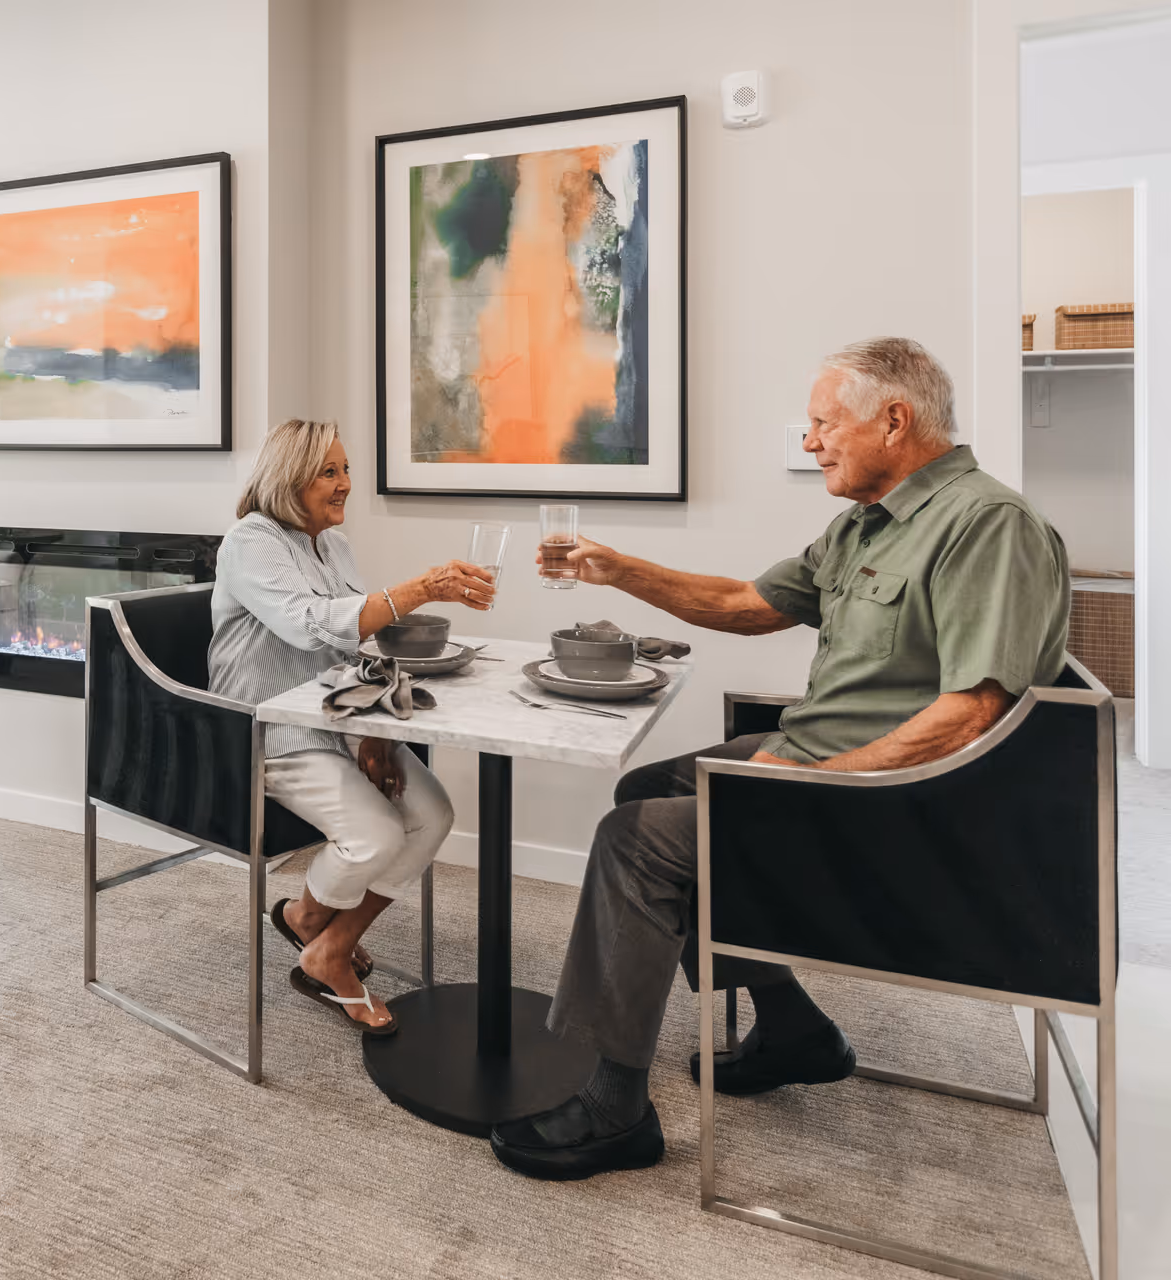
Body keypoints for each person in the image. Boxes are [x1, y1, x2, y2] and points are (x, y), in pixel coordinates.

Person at [490, 338, 1071, 1180]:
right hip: (816, 756)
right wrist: (617, 570)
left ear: (895, 420)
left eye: (823, 423)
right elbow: (742, 605)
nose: (809, 441)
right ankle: (792, 1022)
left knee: (638, 841)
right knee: (648, 788)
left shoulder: (988, 526)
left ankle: (614, 1107)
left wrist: (806, 784)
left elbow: (972, 714)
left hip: (897, 802)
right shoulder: (865, 524)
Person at [210, 418, 495, 1033]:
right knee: (375, 837)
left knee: (433, 815)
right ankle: (315, 928)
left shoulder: (334, 545)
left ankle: (323, 940)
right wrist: (422, 588)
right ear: (289, 478)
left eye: (346, 471)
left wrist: (378, 732)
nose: (344, 485)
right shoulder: (250, 541)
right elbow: (309, 624)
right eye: (328, 472)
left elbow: (353, 647)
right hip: (269, 728)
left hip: (339, 715)